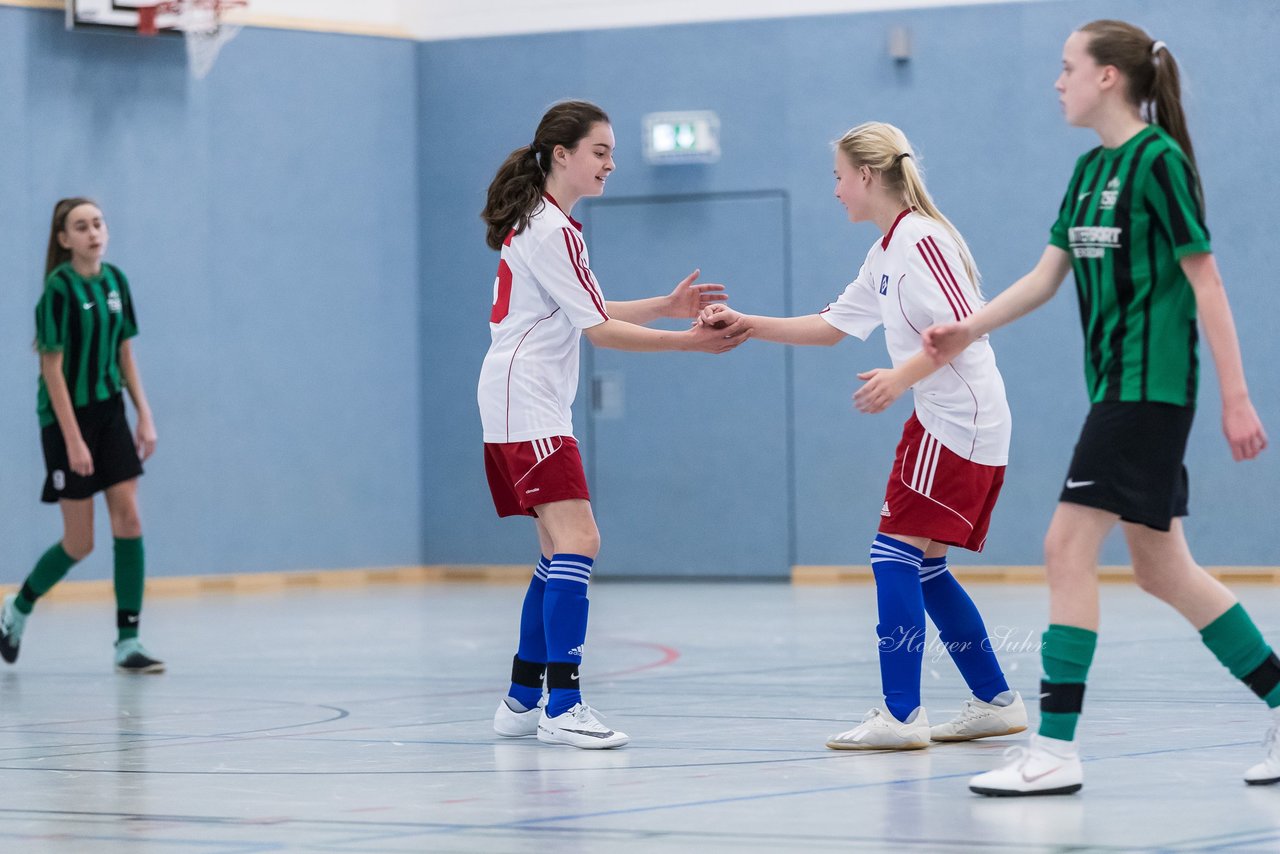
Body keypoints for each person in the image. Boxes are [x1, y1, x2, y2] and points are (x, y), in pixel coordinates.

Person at [923, 20, 1274, 796]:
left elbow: (1205, 280)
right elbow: (1046, 276)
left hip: (1149, 390)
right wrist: (965, 327)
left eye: (1068, 67)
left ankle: (1053, 748)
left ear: (1108, 77)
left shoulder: (1158, 161)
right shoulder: (1087, 171)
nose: (1058, 81)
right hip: (1117, 387)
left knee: (1063, 548)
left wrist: (1237, 399)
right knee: (1163, 570)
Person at [702, 121, 1026, 751]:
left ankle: (901, 715)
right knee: (924, 566)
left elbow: (966, 328)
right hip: (943, 414)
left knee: (892, 557)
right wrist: (746, 323)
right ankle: (995, 700)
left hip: (958, 418)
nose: (835, 191)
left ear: (868, 176)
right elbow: (831, 326)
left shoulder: (923, 241)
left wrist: (898, 377)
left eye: (838, 177)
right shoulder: (885, 251)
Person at [479, 100, 750, 750]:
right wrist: (691, 343)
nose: (611, 163)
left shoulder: (543, 224)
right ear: (563, 154)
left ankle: (522, 698)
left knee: (555, 551)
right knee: (581, 541)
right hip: (530, 401)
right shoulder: (554, 231)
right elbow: (599, 331)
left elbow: (588, 308)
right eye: (600, 151)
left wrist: (666, 305)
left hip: (515, 399)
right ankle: (562, 704)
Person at [0, 198, 162, 674]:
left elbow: (125, 353)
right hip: (65, 418)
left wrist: (144, 415)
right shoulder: (57, 290)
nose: (93, 232)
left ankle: (127, 642)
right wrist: (72, 440)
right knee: (79, 542)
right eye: (81, 226)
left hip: (110, 412)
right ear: (63, 239)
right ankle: (18, 607)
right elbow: (51, 369)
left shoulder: (116, 282)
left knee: (129, 519)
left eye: (98, 223)